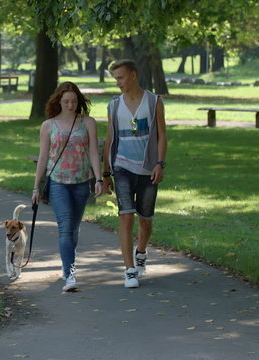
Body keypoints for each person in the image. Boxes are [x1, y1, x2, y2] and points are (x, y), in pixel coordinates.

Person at [102, 59, 167, 288]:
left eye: (120, 77)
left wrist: (160, 163)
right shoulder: (114, 105)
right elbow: (110, 138)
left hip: (148, 168)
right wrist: (106, 171)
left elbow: (161, 135)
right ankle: (129, 269)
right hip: (122, 167)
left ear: (133, 75)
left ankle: (141, 252)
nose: (117, 83)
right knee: (126, 215)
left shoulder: (153, 101)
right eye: (115, 79)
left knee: (146, 221)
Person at [32, 82, 103, 292]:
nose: (70, 105)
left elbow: (93, 153)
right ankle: (70, 274)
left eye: (73, 101)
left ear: (78, 101)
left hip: (81, 181)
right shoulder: (48, 125)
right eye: (66, 101)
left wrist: (99, 179)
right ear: (59, 102)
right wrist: (36, 187)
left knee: (73, 229)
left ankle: (67, 265)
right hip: (58, 182)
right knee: (65, 227)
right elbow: (43, 157)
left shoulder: (88, 122)